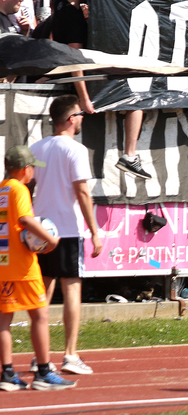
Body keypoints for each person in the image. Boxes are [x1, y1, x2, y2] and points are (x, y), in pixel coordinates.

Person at [30, 95, 103, 376]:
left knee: (43, 292)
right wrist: (95, 232)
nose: (83, 118)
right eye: (81, 114)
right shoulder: (76, 149)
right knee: (72, 289)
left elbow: (28, 186)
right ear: (71, 119)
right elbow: (82, 192)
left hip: (41, 230)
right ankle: (70, 354)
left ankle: (41, 357)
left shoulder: (37, 148)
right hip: (68, 230)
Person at [0, 146, 76, 391]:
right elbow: (24, 219)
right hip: (23, 267)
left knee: (3, 320)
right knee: (40, 316)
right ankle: (44, 372)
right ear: (25, 169)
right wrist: (51, 240)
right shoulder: (19, 189)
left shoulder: (1, 188)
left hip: (3, 264)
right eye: (32, 167)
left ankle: (8, 373)